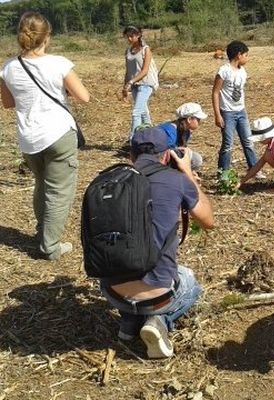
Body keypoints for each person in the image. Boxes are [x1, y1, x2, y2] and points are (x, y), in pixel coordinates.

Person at [99, 127, 214, 359]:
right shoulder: (176, 180)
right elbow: (208, 221)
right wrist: (187, 171)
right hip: (159, 295)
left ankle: (128, 323)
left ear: (131, 156)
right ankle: (159, 320)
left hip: (111, 291)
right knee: (191, 283)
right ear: (166, 155)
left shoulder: (108, 181)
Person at [1, 11, 90, 260]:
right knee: (59, 192)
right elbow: (84, 97)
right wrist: (63, 90)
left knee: (41, 185)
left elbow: (8, 103)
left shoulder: (8, 67)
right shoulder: (59, 63)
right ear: (46, 37)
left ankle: (43, 232)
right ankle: (50, 247)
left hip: (29, 139)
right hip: (59, 135)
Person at [211, 40, 262, 182]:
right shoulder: (224, 71)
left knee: (248, 141)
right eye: (246, 55)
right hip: (227, 112)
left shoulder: (242, 71)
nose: (247, 58)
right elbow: (215, 92)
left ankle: (254, 169)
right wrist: (217, 114)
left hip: (241, 111)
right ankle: (223, 173)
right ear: (239, 55)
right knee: (228, 144)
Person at [122, 25, 159, 140]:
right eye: (127, 36)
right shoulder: (128, 51)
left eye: (131, 36)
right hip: (134, 86)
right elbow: (128, 71)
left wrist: (131, 81)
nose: (129, 39)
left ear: (138, 35)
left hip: (145, 84)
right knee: (143, 113)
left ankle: (133, 140)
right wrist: (125, 86)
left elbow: (145, 70)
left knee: (136, 112)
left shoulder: (145, 49)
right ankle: (150, 138)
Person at [156, 102, 208, 173]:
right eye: (198, 120)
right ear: (189, 119)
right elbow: (164, 153)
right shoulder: (170, 131)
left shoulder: (186, 131)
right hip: (158, 160)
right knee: (195, 159)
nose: (199, 122)